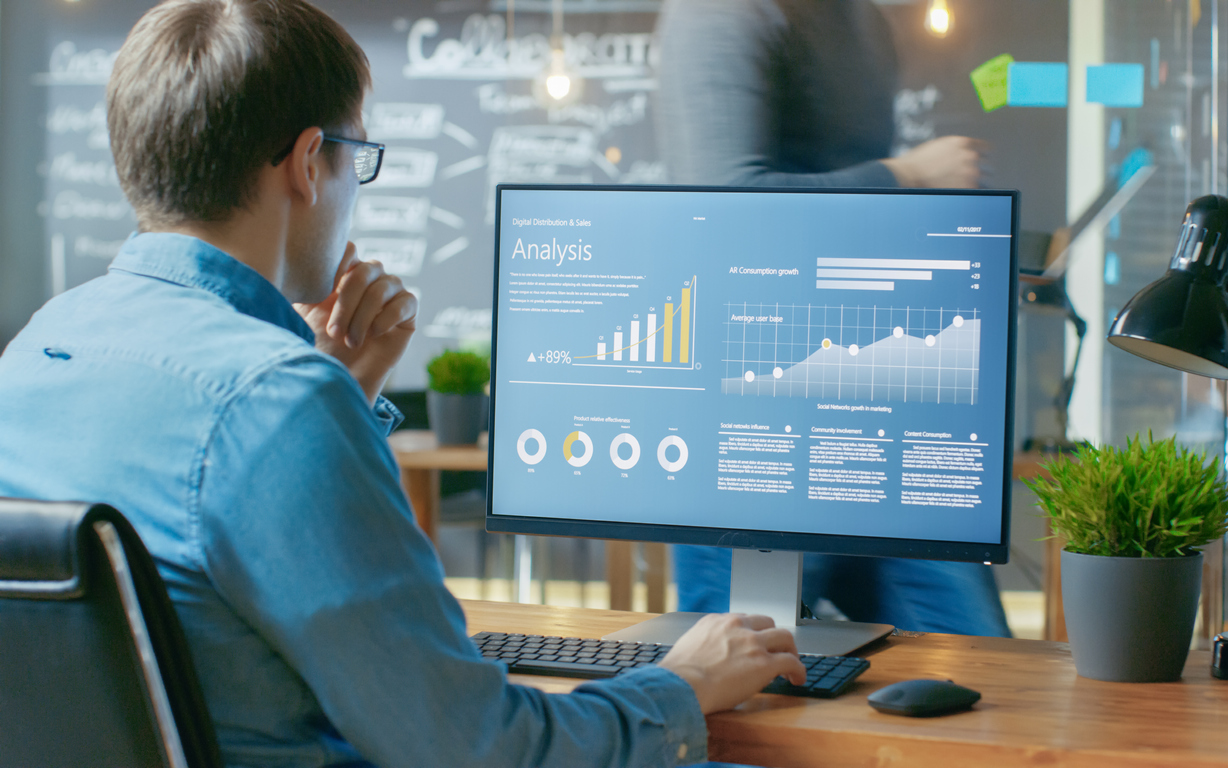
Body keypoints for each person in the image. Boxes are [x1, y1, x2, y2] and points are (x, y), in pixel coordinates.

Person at [0, 2, 804, 766]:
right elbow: (483, 748)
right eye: (361, 160)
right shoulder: (275, 405)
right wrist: (681, 683)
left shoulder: (34, 354)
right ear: (310, 164)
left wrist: (339, 390)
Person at [655, 0, 1012, 638]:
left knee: (978, 668)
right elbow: (725, 205)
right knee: (738, 688)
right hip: (752, 426)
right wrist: (908, 176)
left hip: (878, 406)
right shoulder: (722, 14)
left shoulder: (862, 21)